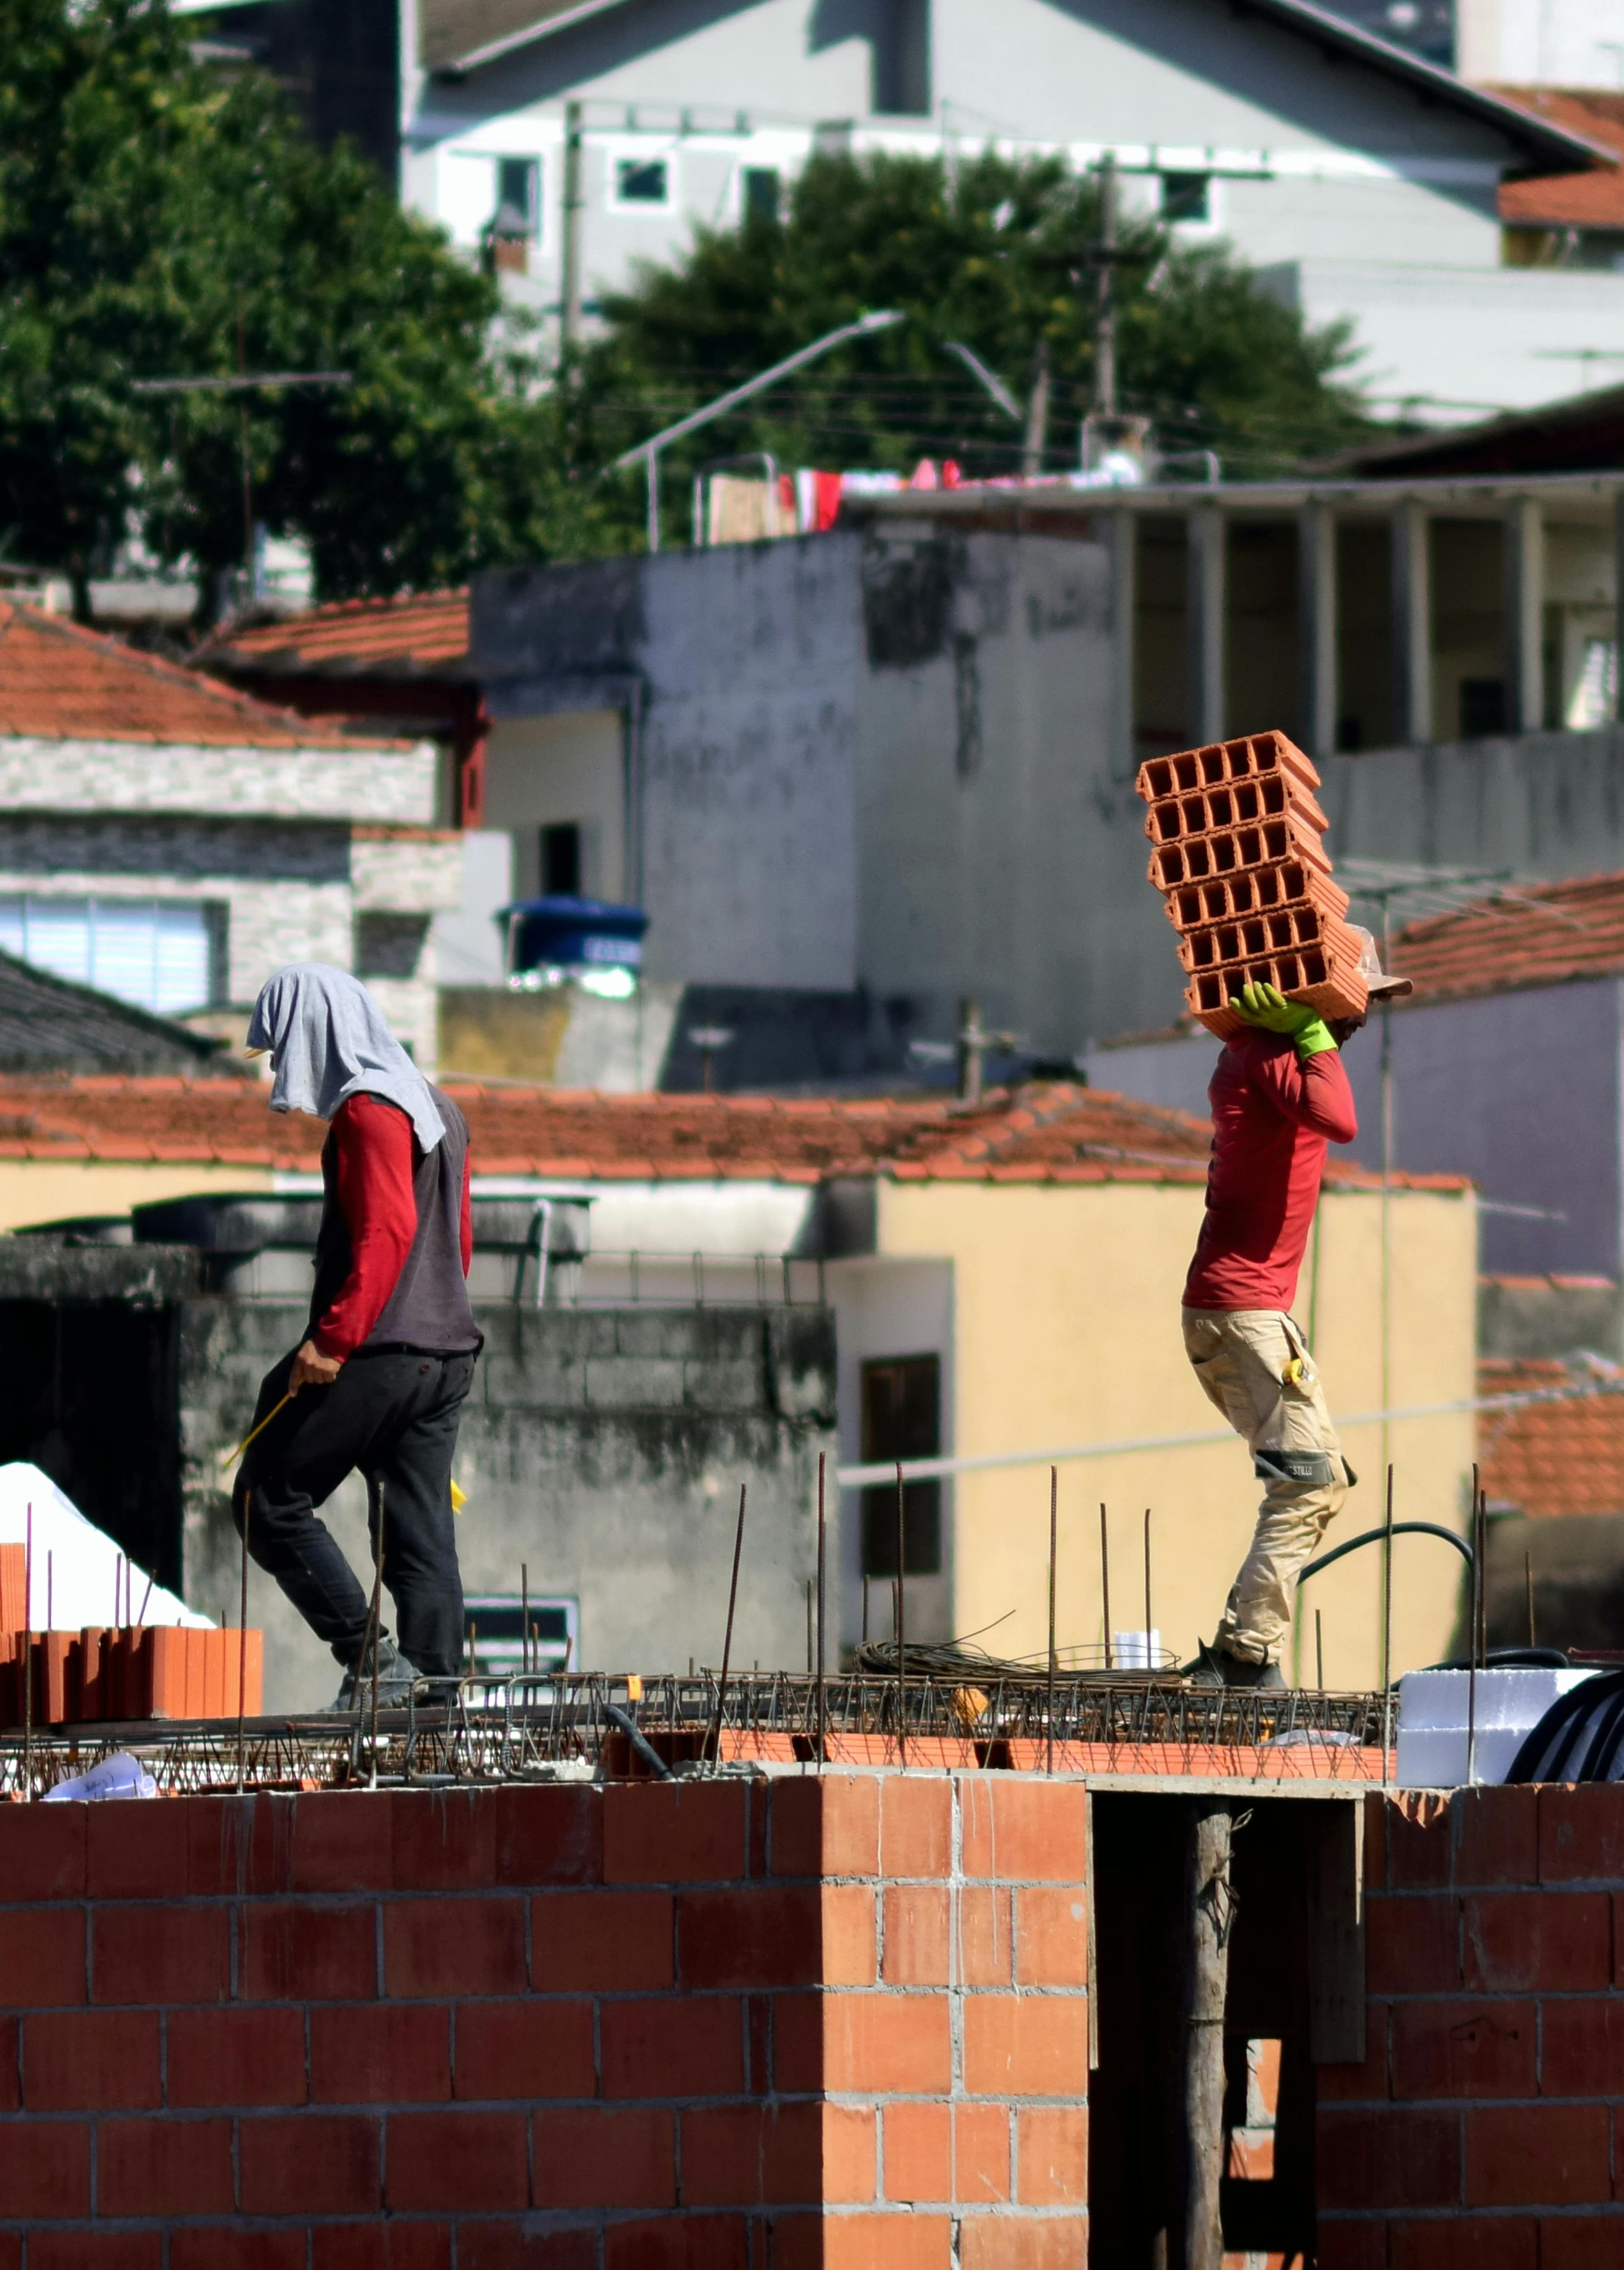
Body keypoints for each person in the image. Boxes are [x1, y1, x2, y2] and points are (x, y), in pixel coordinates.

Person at [233, 964, 481, 1708]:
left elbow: (388, 1230)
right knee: (419, 1535)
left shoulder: (371, 1109)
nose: (280, 1068)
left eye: (282, 1048)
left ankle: (373, 1660)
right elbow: (457, 1244)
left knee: (265, 1497)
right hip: (446, 1354)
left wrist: (335, 1341)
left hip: (379, 1352)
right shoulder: (439, 1107)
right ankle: (435, 1702)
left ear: (318, 1033)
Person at [1180, 928, 1411, 1688]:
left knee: (1315, 1477)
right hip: (1243, 1312)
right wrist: (1309, 1031)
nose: (1358, 1023)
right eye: (1352, 1006)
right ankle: (1246, 1654)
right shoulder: (1277, 1057)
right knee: (1311, 1481)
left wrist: (1304, 1031)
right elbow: (1341, 1119)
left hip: (1234, 1311)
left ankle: (1248, 1648)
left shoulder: (1253, 1053)